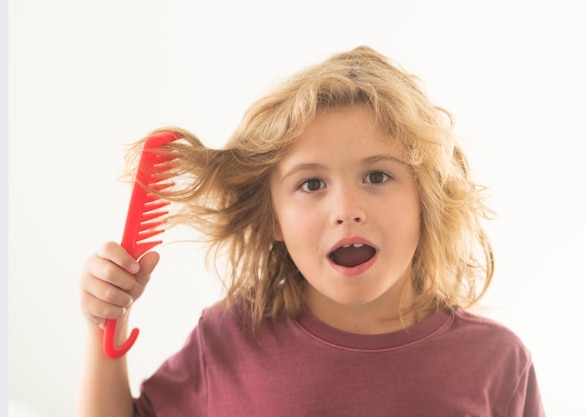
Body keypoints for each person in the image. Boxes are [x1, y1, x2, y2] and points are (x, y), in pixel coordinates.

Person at [76, 46, 545, 417]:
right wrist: (107, 323)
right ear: (274, 220)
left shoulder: (497, 363)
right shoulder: (228, 340)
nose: (346, 210)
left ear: (426, 197)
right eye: (311, 184)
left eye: (377, 177)